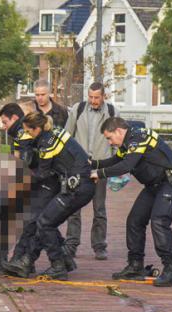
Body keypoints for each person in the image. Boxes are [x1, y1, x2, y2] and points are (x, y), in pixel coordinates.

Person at [93, 117, 172, 287]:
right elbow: (115, 161)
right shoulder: (127, 143)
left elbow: (126, 165)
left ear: (119, 131)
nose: (110, 143)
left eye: (110, 138)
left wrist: (100, 173)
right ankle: (135, 266)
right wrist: (92, 163)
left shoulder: (138, 137)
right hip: (154, 185)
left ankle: (171, 271)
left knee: (159, 221)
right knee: (135, 220)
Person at [3, 112, 94, 280]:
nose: (27, 135)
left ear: (37, 129)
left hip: (77, 188)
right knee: (46, 221)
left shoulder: (46, 144)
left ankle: (55, 265)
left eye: (29, 131)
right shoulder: (54, 132)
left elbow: (42, 174)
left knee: (44, 222)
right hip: (80, 185)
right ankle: (58, 260)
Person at [0, 104, 69, 278]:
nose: (3, 126)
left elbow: (26, 162)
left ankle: (20, 259)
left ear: (15, 118)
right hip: (41, 180)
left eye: (5, 122)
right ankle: (63, 258)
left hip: (45, 181)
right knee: (39, 220)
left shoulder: (24, 134)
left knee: (33, 220)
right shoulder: (20, 134)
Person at [63, 82, 119, 261]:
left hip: (101, 166)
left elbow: (117, 141)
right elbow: (66, 136)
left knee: (99, 209)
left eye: (97, 97)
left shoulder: (112, 112)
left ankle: (99, 246)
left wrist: (115, 166)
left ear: (103, 96)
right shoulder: (78, 109)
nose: (93, 101)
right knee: (73, 207)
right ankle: (71, 245)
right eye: (91, 97)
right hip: (79, 167)